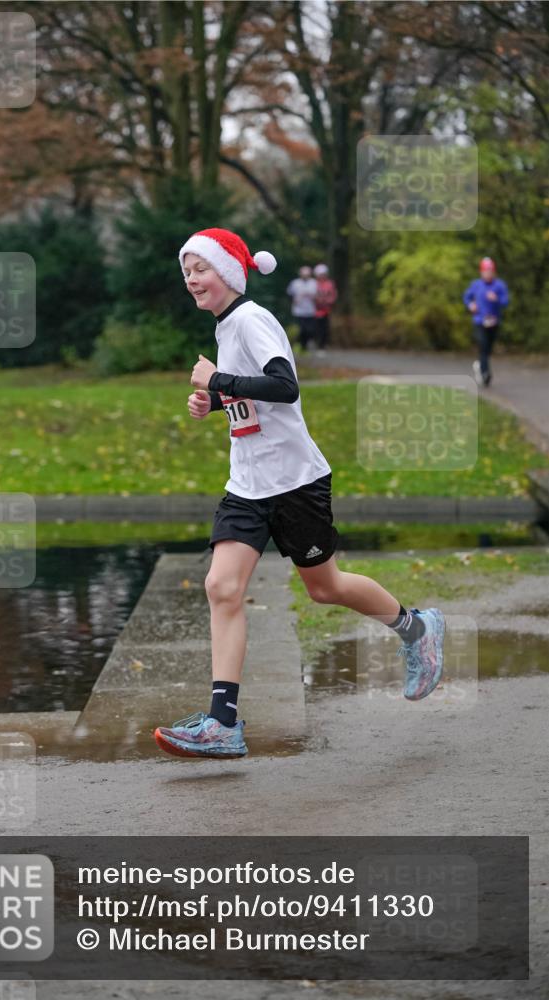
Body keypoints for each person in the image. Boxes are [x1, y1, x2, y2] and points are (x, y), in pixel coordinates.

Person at [154, 228, 446, 760]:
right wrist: (216, 402)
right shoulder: (225, 326)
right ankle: (223, 723)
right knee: (221, 587)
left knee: (326, 587)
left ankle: (416, 627)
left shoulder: (252, 318)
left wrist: (220, 380)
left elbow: (285, 386)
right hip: (247, 485)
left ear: (230, 273)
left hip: (294, 483)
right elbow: (256, 401)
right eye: (187, 272)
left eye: (201, 268)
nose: (192, 279)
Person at [463, 257, 509, 387]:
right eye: (485, 271)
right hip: (479, 321)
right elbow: (466, 297)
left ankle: (481, 366)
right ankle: (486, 374)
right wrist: (470, 305)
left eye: (490, 271)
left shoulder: (499, 285)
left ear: (494, 271)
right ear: (481, 272)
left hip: (494, 322)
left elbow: (505, 302)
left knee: (488, 350)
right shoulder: (476, 285)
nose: (488, 273)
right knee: (483, 346)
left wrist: (496, 299)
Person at [286, 265, 317, 350]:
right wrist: (293, 300)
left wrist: (312, 297)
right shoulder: (295, 283)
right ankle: (301, 345)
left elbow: (318, 296)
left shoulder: (314, 283)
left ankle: (305, 345)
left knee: (310, 330)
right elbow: (289, 294)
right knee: (301, 329)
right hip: (298, 311)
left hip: (310, 310)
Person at [313, 263, 338, 351]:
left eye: (323, 274)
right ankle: (316, 343)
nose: (322, 276)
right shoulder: (314, 283)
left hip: (325, 310)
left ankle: (322, 345)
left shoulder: (329, 284)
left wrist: (327, 301)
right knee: (315, 328)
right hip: (314, 310)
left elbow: (333, 295)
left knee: (324, 328)